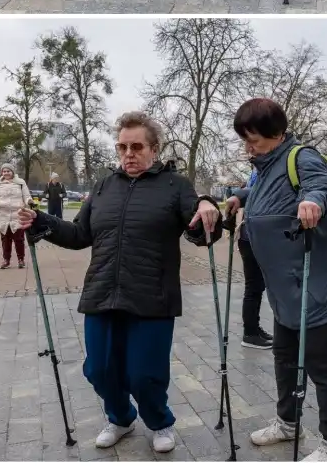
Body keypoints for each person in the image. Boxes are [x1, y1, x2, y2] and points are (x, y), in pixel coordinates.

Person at [19, 111, 221, 454]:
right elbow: (80, 234)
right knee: (98, 369)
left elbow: (198, 225)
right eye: (122, 147)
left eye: (137, 146)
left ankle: (159, 421)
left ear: (153, 149)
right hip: (101, 292)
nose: (129, 153)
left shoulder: (175, 186)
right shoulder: (104, 186)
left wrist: (206, 206)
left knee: (144, 374)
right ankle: (121, 417)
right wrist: (41, 220)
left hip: (152, 296)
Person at [221, 98, 327, 462]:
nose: (248, 147)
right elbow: (272, 194)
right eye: (244, 139)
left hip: (316, 288)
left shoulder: (303, 158)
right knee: (285, 358)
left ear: (278, 133)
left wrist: (316, 202)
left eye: (254, 139)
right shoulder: (267, 166)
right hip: (287, 291)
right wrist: (240, 196)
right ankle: (288, 423)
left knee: (325, 369)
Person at [237, 167, 273, 350]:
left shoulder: (258, 170)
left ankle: (254, 328)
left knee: (256, 287)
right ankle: (250, 333)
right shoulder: (263, 172)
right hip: (252, 237)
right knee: (254, 287)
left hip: (251, 235)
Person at [0, 165, 32, 269]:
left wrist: (29, 201)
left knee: (19, 239)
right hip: (2, 215)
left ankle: (21, 259)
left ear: (12, 172)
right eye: (4, 171)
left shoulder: (20, 183)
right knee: (5, 239)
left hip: (18, 214)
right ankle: (6, 260)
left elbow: (26, 196)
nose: (6, 173)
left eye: (8, 171)